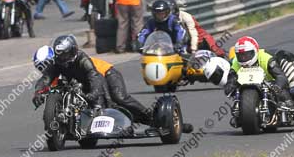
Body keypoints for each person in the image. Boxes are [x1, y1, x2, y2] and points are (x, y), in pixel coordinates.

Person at [33, 45, 193, 132]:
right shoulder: (56, 70)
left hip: (105, 73)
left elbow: (95, 79)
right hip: (90, 82)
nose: (45, 69)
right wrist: (39, 92)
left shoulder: (75, 61)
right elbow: (44, 81)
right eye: (41, 67)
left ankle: (152, 118)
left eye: (46, 64)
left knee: (117, 99)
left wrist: (98, 97)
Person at [33, 35, 107, 110]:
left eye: (66, 55)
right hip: (72, 89)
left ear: (73, 51)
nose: (63, 58)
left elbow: (93, 75)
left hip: (92, 84)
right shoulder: (57, 63)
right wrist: (38, 91)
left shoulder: (82, 59)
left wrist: (93, 94)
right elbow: (46, 78)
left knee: (101, 105)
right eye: (60, 55)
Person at [223, 36, 294, 107]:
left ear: (255, 51)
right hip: (247, 90)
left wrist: (277, 86)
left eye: (247, 55)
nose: (244, 58)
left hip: (270, 85)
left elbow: (280, 76)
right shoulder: (235, 63)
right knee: (236, 104)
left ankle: (293, 110)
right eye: (240, 56)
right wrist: (230, 86)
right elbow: (230, 81)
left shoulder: (266, 59)